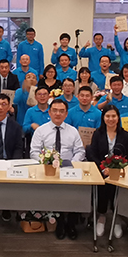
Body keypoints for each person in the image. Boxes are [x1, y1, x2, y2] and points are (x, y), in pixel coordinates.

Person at [29, 100, 85, 239]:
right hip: (47, 170)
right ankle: (59, 221)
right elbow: (34, 152)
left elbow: (80, 151)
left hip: (69, 168)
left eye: (61, 111)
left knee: (76, 192)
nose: (58, 114)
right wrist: (46, 162)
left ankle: (71, 223)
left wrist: (72, 164)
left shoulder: (73, 131)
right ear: (49, 112)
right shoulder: (41, 131)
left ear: (66, 114)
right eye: (54, 110)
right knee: (54, 193)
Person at [87, 105, 128, 239]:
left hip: (119, 173)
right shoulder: (98, 133)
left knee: (116, 190)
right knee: (102, 188)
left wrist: (116, 169)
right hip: (101, 172)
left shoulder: (125, 135)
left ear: (118, 118)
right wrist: (103, 168)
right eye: (107, 116)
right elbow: (92, 154)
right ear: (103, 118)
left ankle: (116, 217)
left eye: (113, 116)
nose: (111, 119)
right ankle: (101, 216)